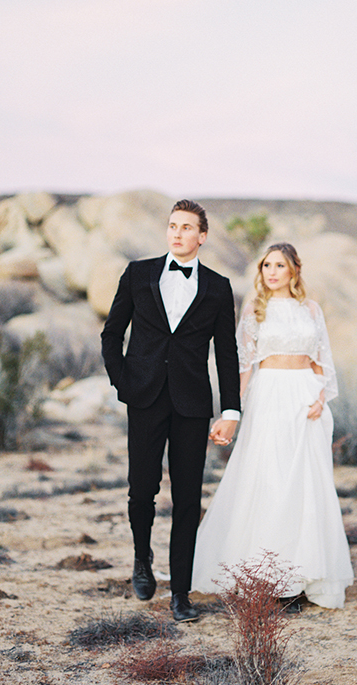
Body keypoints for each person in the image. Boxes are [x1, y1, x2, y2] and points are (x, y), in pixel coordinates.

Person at [192, 243, 353, 610]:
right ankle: (266, 576)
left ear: (294, 270)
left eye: (280, 265)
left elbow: (322, 361)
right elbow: (244, 366)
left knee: (305, 481)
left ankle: (301, 574)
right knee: (268, 477)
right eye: (267, 265)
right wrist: (232, 410)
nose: (272, 272)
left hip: (305, 399)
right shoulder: (255, 309)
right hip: (269, 396)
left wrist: (320, 398)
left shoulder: (311, 309)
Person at [101, 199, 241, 622]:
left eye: (187, 227)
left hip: (192, 404)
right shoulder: (138, 274)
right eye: (172, 226)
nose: (177, 233)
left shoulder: (218, 287)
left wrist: (231, 409)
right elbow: (112, 334)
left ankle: (181, 593)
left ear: (202, 236)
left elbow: (227, 354)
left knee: (187, 498)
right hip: (144, 397)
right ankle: (141, 558)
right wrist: (123, 381)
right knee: (142, 490)